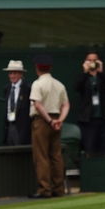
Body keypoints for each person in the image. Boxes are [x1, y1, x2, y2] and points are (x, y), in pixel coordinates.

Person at [28, 54, 69, 198]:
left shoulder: (37, 84)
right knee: (56, 155)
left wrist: (50, 121)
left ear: (37, 68)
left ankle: (45, 190)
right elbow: (65, 105)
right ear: (50, 68)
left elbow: (37, 104)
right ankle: (58, 189)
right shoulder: (59, 85)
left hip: (42, 122)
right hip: (56, 121)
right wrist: (60, 120)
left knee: (41, 156)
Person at [75, 52, 105, 156]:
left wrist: (101, 71)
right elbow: (77, 87)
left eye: (94, 60)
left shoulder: (102, 77)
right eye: (89, 60)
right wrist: (85, 72)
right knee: (89, 148)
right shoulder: (83, 77)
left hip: (104, 118)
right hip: (88, 120)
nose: (92, 63)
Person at [2, 60, 32, 146]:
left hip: (23, 128)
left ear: (21, 74)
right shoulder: (7, 88)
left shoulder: (28, 88)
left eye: (15, 73)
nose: (12, 76)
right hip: (9, 126)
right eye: (10, 73)